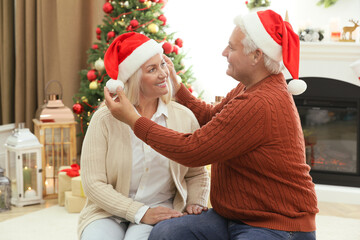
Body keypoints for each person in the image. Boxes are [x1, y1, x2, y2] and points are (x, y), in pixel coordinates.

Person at [104, 10, 319, 240]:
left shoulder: (260, 103)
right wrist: (178, 88)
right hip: (234, 216)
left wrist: (134, 121)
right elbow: (211, 117)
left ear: (257, 56)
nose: (224, 53)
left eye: (232, 48)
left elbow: (192, 150)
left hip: (276, 224)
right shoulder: (250, 87)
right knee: (164, 234)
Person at [78, 32, 210, 240]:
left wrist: (196, 201)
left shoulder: (183, 117)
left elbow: (196, 173)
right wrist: (139, 212)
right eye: (152, 69)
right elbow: (93, 184)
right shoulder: (104, 119)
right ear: (134, 79)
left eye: (163, 65)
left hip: (161, 209)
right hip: (108, 212)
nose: (163, 74)